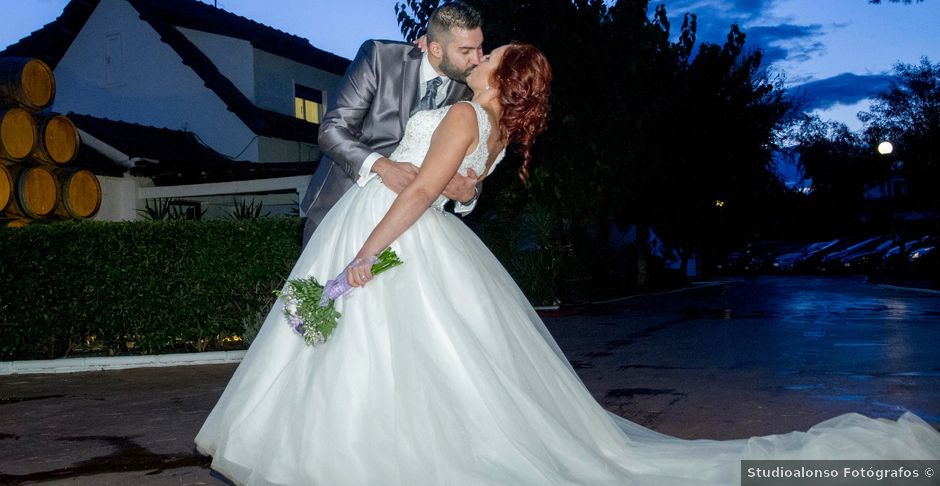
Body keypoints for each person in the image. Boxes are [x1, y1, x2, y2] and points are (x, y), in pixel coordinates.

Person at [196, 43, 940, 485]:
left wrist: (365, 252)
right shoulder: (487, 129)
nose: (479, 53)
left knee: (372, 354)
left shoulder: (465, 115)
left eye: (490, 53)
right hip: (417, 237)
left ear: (500, 75)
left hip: (391, 236)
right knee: (371, 355)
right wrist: (434, 191)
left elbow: (426, 188)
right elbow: (456, 195)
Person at [299, 1, 485, 245]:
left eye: (480, 48)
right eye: (466, 51)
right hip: (340, 207)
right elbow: (332, 130)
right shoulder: (379, 57)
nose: (478, 59)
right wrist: (383, 167)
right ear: (436, 49)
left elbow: (474, 158)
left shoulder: (472, 90)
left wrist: (469, 195)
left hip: (412, 224)